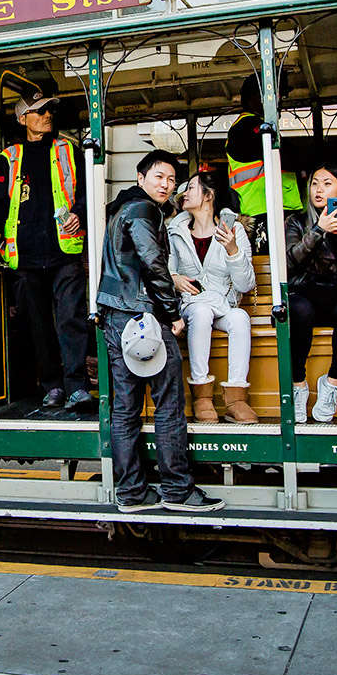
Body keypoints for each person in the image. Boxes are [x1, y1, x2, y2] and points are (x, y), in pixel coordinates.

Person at [97, 149, 220, 512]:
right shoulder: (143, 210)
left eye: (171, 179)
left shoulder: (122, 208)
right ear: (140, 178)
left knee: (125, 409)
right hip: (144, 317)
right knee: (168, 404)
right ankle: (178, 491)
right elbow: (153, 263)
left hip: (116, 315)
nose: (166, 185)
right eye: (159, 176)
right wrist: (171, 314)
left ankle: (132, 493)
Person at [0, 94, 93, 411]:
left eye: (49, 110)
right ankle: (53, 386)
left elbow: (85, 191)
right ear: (22, 119)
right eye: (39, 111)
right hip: (25, 256)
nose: (47, 115)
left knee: (71, 321)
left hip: (64, 252)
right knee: (39, 328)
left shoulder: (69, 149)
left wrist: (78, 214)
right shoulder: (9, 157)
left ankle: (77, 388)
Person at [166, 169, 257, 423]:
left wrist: (232, 250)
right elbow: (166, 269)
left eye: (192, 188)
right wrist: (174, 279)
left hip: (224, 306)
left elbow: (245, 284)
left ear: (209, 196)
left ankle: (236, 399)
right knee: (201, 311)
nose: (184, 193)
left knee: (240, 318)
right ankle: (202, 397)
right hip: (191, 307)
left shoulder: (234, 231)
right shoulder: (175, 231)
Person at [282, 164, 337, 424]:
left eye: (327, 183)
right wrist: (318, 230)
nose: (319, 189)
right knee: (296, 310)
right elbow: (289, 263)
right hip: (305, 292)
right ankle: (298, 384)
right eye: (314, 183)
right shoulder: (296, 221)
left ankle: (331, 383)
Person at [226, 76, 304, 242]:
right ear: (258, 96)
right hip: (264, 215)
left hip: (271, 212)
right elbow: (293, 158)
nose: (281, 100)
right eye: (277, 94)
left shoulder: (251, 127)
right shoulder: (246, 128)